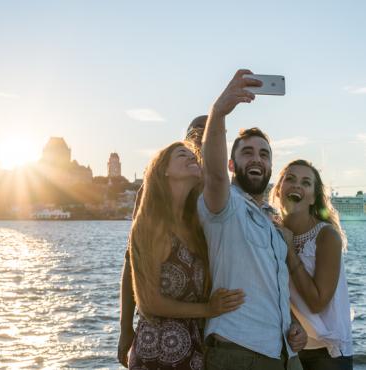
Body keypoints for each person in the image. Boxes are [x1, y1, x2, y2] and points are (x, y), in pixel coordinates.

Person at [199, 69, 306, 370]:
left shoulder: (270, 223)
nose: (257, 159)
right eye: (247, 153)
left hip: (285, 355)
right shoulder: (224, 205)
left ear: (271, 166)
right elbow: (216, 174)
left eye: (264, 154)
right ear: (233, 164)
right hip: (239, 353)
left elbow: (270, 288)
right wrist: (218, 112)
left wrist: (294, 325)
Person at [127, 141, 244, 369]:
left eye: (194, 156)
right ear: (164, 170)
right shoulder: (152, 224)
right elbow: (148, 302)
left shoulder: (194, 226)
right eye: (183, 154)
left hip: (193, 350)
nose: (193, 158)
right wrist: (208, 309)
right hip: (158, 352)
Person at [117, 116, 208, 367]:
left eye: (210, 134)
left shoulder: (219, 195)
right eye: (194, 135)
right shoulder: (151, 201)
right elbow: (132, 263)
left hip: (200, 339)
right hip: (161, 336)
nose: (200, 141)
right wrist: (125, 328)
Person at [270, 159, 353, 370]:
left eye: (306, 182)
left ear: (313, 197)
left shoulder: (326, 236)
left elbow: (317, 303)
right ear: (278, 190)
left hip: (326, 353)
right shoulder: (270, 231)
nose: (297, 185)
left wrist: (289, 250)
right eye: (290, 179)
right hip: (286, 347)